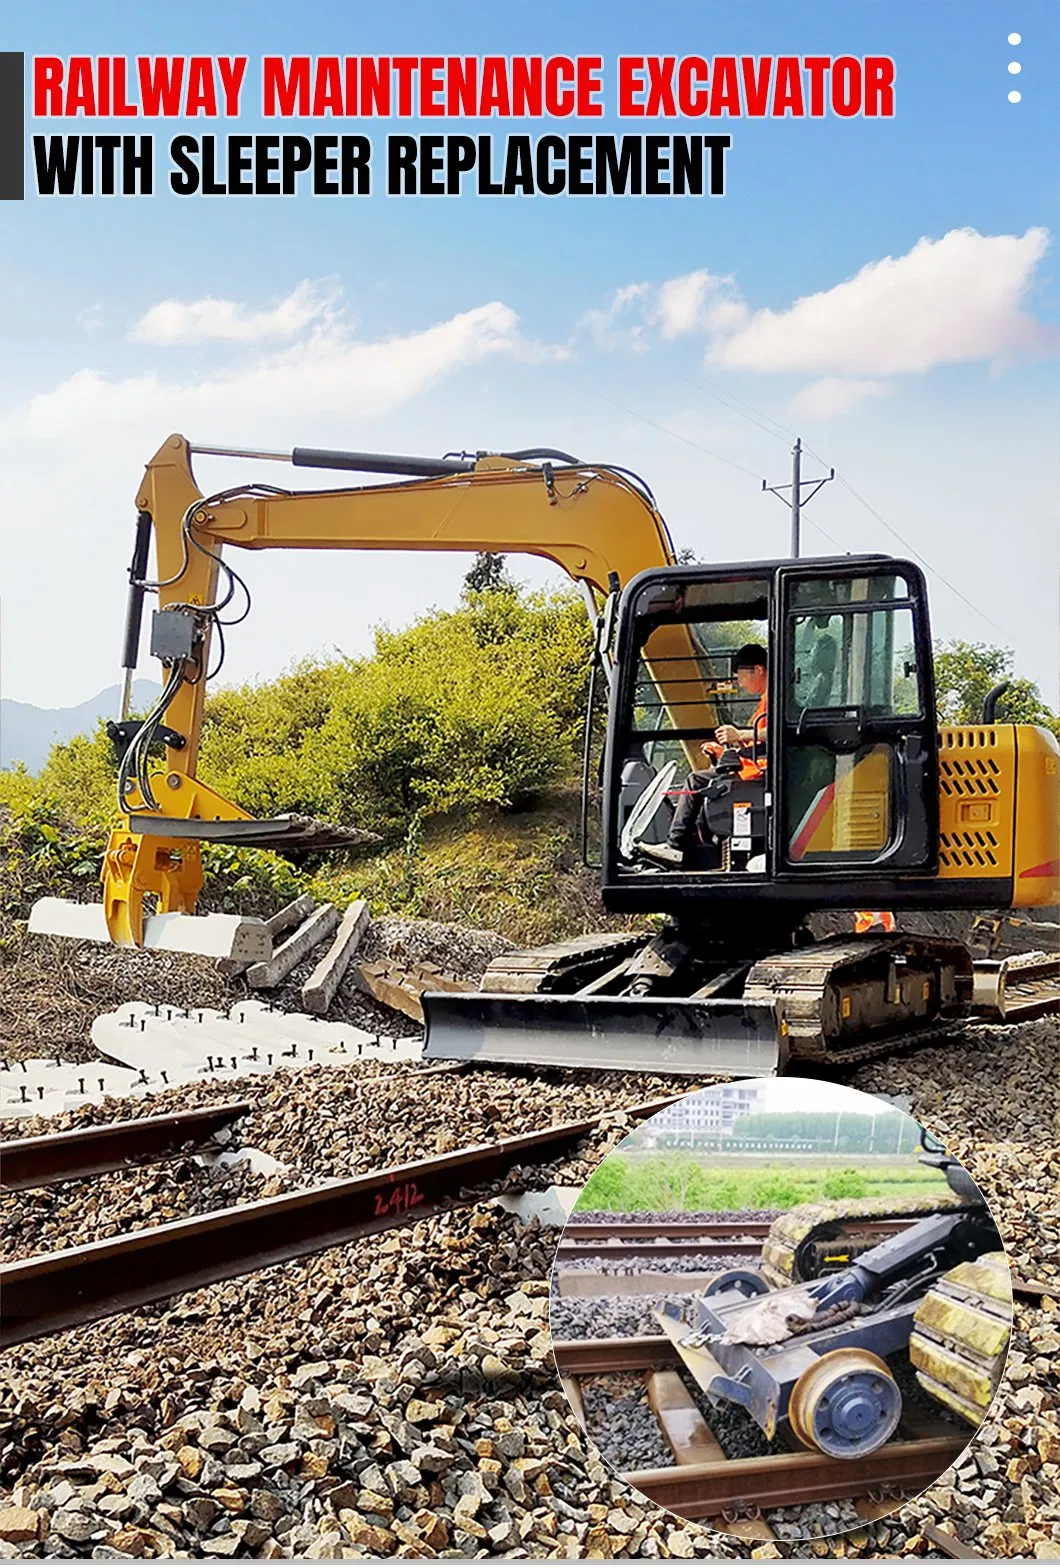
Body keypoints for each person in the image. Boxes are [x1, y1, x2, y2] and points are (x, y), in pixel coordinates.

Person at [637, 643, 768, 869]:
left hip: (759, 775)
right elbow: (758, 744)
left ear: (757, 670)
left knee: (695, 781)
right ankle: (697, 848)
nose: (739, 683)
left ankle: (675, 845)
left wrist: (739, 734)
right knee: (703, 786)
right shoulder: (767, 699)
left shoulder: (774, 698)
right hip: (753, 767)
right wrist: (725, 750)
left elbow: (777, 733)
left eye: (741, 676)